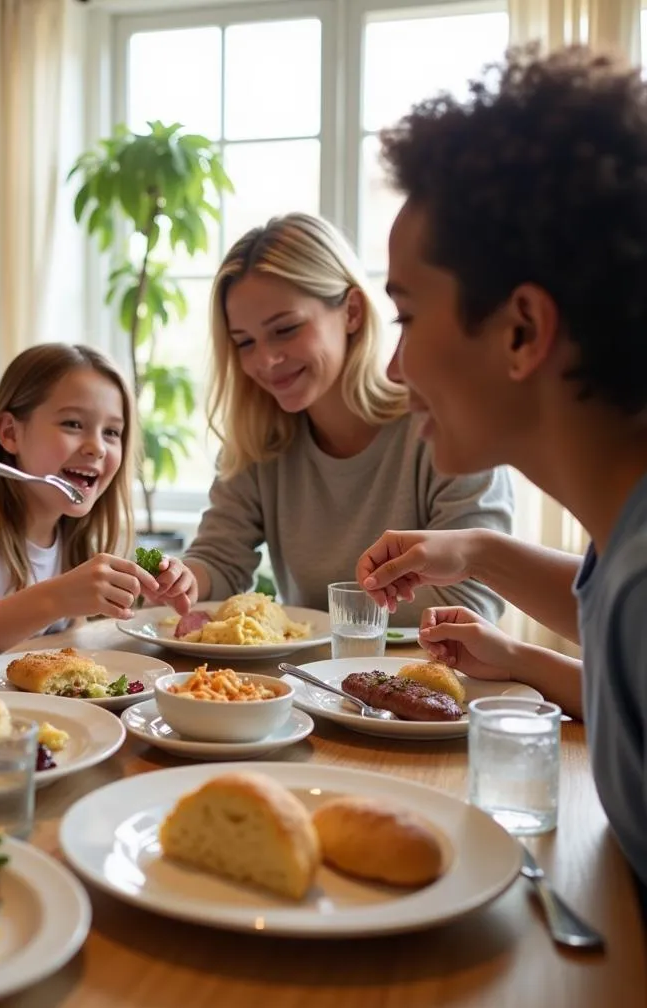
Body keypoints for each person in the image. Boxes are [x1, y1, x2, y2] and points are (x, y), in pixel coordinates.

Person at [354, 46, 647, 896]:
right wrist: (477, 552)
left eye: (405, 317)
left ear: (522, 330)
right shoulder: (624, 548)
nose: (396, 367)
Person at [181, 212, 514, 625]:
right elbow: (219, 562)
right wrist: (181, 580)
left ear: (352, 311)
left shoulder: (438, 424)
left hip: (427, 674)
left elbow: (473, 595)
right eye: (245, 342)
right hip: (314, 681)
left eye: (285, 329)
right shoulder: (259, 441)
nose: (265, 360)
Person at [0, 343, 197, 674]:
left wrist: (156, 593)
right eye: (73, 424)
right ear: (10, 433)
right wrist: (55, 598)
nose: (97, 447)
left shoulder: (73, 535)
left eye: (112, 432)